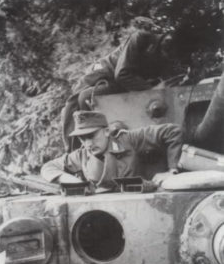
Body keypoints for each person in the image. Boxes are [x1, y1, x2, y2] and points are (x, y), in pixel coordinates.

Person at [62, 28, 178, 149]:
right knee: (79, 100)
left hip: (124, 84)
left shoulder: (166, 57)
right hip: (104, 74)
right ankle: (75, 150)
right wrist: (151, 90)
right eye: (167, 50)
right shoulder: (141, 38)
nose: (168, 55)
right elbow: (122, 74)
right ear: (165, 39)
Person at [42, 111, 183, 192]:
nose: (88, 144)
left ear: (107, 131)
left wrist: (172, 170)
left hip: (142, 199)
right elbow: (48, 167)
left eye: (92, 136)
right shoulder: (81, 155)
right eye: (82, 138)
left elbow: (173, 131)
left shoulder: (129, 139)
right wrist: (70, 181)